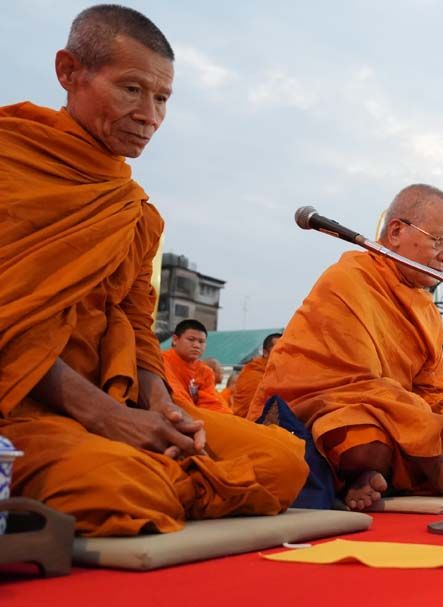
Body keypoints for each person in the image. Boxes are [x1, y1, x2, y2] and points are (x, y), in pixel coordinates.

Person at [0, 4, 306, 536]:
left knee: (283, 460)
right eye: (131, 89)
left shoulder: (133, 211)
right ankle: (157, 481)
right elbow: (11, 327)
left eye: (162, 98)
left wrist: (161, 404)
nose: (150, 116)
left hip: (116, 401)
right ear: (69, 72)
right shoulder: (11, 161)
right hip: (22, 408)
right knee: (122, 484)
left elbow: (136, 326)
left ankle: (159, 480)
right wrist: (105, 417)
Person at [252, 184, 443, 511]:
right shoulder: (349, 279)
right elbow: (358, 385)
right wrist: (437, 465)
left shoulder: (426, 312)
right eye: (439, 241)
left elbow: (435, 393)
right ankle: (362, 474)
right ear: (395, 232)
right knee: (364, 442)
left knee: (425, 442)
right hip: (317, 408)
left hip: (389, 413)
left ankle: (364, 479)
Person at [163, 320, 232, 414]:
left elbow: (212, 403)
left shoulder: (205, 371)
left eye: (201, 341)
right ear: (175, 340)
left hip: (197, 416)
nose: (196, 345)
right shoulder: (161, 361)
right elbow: (177, 399)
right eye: (191, 339)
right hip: (171, 415)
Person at [230, 331, 281, 419]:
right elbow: (251, 411)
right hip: (250, 425)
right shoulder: (253, 373)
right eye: (279, 350)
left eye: (287, 350)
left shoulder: (281, 373)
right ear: (265, 353)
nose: (283, 354)